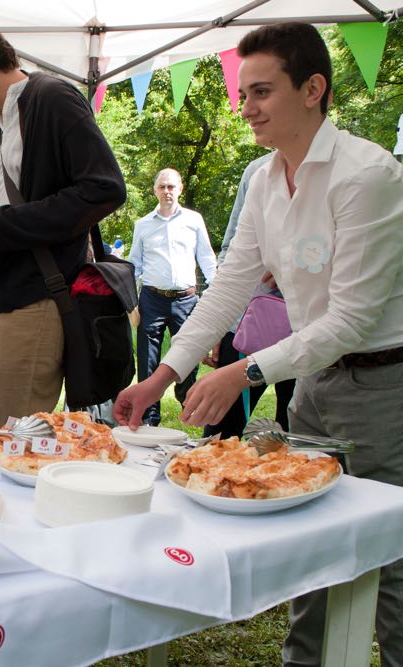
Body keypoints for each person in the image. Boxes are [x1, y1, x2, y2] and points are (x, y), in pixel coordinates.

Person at [112, 23, 403, 667]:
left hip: (385, 387)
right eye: (244, 94)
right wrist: (162, 379)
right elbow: (226, 290)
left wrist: (243, 373)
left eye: (262, 92)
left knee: (394, 561)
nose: (245, 109)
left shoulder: (369, 175)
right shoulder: (264, 179)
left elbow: (352, 319)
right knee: (311, 547)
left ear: (313, 89)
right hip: (315, 387)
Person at [0, 17, 126, 428]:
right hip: (0, 297)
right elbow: (4, 217)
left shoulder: (52, 98)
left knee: (7, 437)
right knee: (2, 431)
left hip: (35, 300)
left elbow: (104, 188)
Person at [202, 152, 296, 438]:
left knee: (296, 432)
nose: (248, 111)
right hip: (247, 323)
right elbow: (230, 252)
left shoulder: (346, 169)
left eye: (263, 102)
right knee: (220, 430)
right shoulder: (257, 170)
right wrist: (219, 326)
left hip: (309, 330)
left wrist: (292, 266)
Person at [128, 168, 217, 425]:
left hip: (186, 300)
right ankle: (148, 419)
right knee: (148, 362)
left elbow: (207, 260)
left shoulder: (194, 220)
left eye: (171, 187)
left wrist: (214, 293)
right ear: (155, 191)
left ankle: (187, 403)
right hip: (152, 300)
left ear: (180, 189)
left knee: (188, 360)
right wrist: (130, 301)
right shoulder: (143, 225)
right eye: (162, 187)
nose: (167, 191)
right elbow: (135, 265)